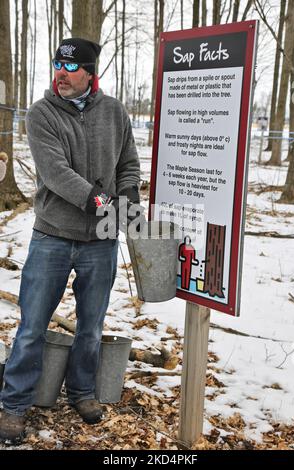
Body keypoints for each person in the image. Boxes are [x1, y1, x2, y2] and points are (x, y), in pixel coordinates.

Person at [0, 37, 141, 444]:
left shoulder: (114, 112)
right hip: (52, 236)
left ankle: (81, 391)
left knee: (92, 326)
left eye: (70, 67)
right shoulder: (42, 114)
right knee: (32, 327)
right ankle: (14, 405)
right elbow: (56, 173)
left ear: (90, 73)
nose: (60, 74)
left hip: (100, 239)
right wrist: (102, 202)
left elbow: (128, 163)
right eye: (56, 65)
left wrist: (128, 200)